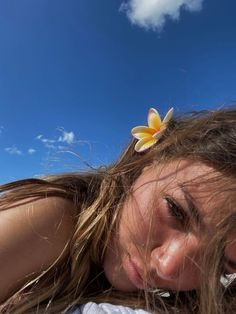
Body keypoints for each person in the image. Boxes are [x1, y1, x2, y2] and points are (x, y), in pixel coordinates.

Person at [0, 107, 236, 314]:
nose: (168, 267)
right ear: (150, 160)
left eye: (217, 262)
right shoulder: (50, 220)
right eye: (176, 211)